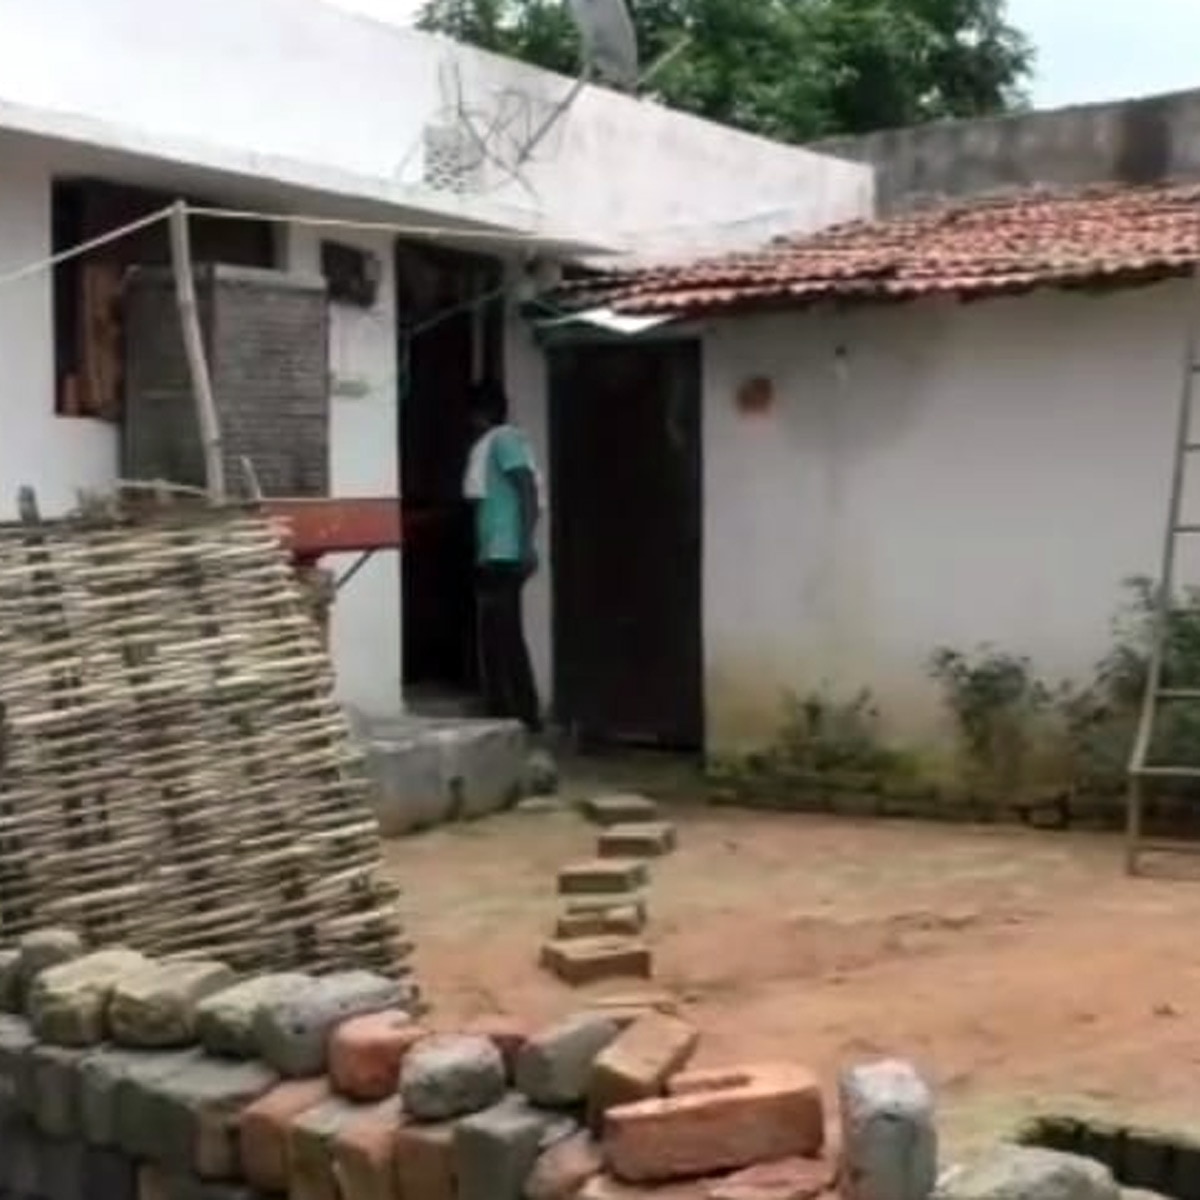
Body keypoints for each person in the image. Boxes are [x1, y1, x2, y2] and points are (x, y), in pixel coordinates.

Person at [462, 381, 544, 734]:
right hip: (496, 550)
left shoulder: (504, 441)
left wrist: (525, 544)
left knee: (504, 633)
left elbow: (526, 487)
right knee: (497, 632)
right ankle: (506, 709)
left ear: (480, 414)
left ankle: (520, 712)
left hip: (505, 552)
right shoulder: (492, 444)